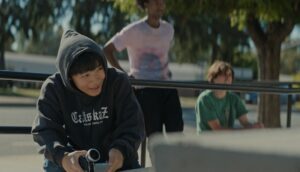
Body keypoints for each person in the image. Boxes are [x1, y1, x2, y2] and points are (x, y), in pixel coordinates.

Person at [31, 30, 145, 172]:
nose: (95, 80)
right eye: (85, 75)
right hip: (74, 159)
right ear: (69, 77)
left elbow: (133, 123)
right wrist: (64, 156)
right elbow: (45, 130)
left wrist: (121, 149)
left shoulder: (118, 81)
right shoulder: (54, 88)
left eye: (99, 69)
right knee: (53, 163)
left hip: (115, 157)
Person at [103, 0, 183, 137]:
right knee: (154, 136)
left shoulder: (168, 29)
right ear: (146, 3)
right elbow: (107, 50)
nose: (160, 5)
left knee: (177, 134)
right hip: (145, 89)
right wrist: (123, 74)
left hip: (168, 87)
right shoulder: (133, 30)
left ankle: (175, 159)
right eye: (155, 1)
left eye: (162, 1)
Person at [195, 60, 263, 132]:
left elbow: (245, 123)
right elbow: (217, 129)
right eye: (224, 74)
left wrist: (254, 127)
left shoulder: (234, 98)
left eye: (230, 75)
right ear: (213, 77)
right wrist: (246, 130)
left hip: (226, 141)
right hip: (207, 141)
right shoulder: (205, 99)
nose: (228, 78)